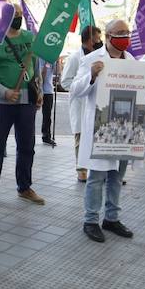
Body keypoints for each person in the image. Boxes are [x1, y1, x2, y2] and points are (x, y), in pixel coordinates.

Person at [72, 19, 138, 242]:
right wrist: (91, 75)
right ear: (108, 36)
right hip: (100, 127)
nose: (124, 36)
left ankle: (111, 218)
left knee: (117, 176)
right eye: (120, 33)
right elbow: (75, 89)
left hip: (123, 127)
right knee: (97, 177)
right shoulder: (91, 59)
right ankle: (90, 220)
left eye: (127, 32)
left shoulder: (131, 61)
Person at [0, 12, 45, 208]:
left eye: (19, 13)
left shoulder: (30, 38)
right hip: (1, 104)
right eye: (14, 14)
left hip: (27, 102)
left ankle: (25, 188)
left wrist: (39, 91)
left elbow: (35, 67)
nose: (17, 17)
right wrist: (4, 92)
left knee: (27, 146)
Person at [63, 26, 102, 183]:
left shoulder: (100, 57)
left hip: (96, 102)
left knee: (98, 135)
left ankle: (100, 169)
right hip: (80, 103)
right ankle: (81, 169)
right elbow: (65, 82)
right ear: (89, 40)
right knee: (80, 136)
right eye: (98, 39)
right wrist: (81, 85)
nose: (100, 42)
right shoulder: (75, 58)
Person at [39, 54, 57, 147]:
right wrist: (46, 64)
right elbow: (42, 75)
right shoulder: (38, 58)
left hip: (48, 90)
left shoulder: (51, 59)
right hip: (38, 90)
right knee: (31, 114)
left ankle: (46, 136)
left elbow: (57, 72)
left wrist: (57, 62)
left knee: (47, 115)